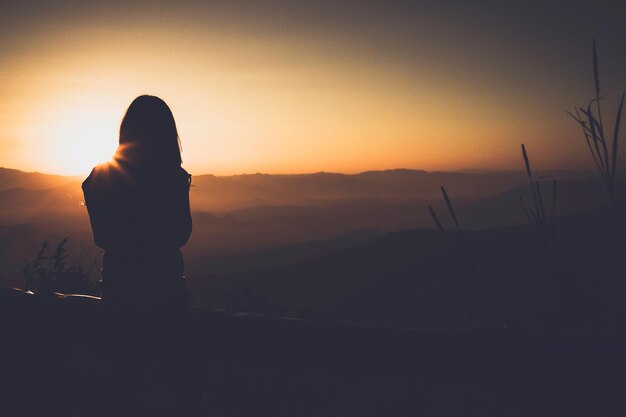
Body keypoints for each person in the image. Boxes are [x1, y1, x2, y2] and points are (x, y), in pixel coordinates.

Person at [82, 95, 201, 415]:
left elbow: (102, 237)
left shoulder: (100, 177)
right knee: (183, 391)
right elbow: (181, 235)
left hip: (119, 296)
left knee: (123, 390)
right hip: (166, 296)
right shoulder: (173, 178)